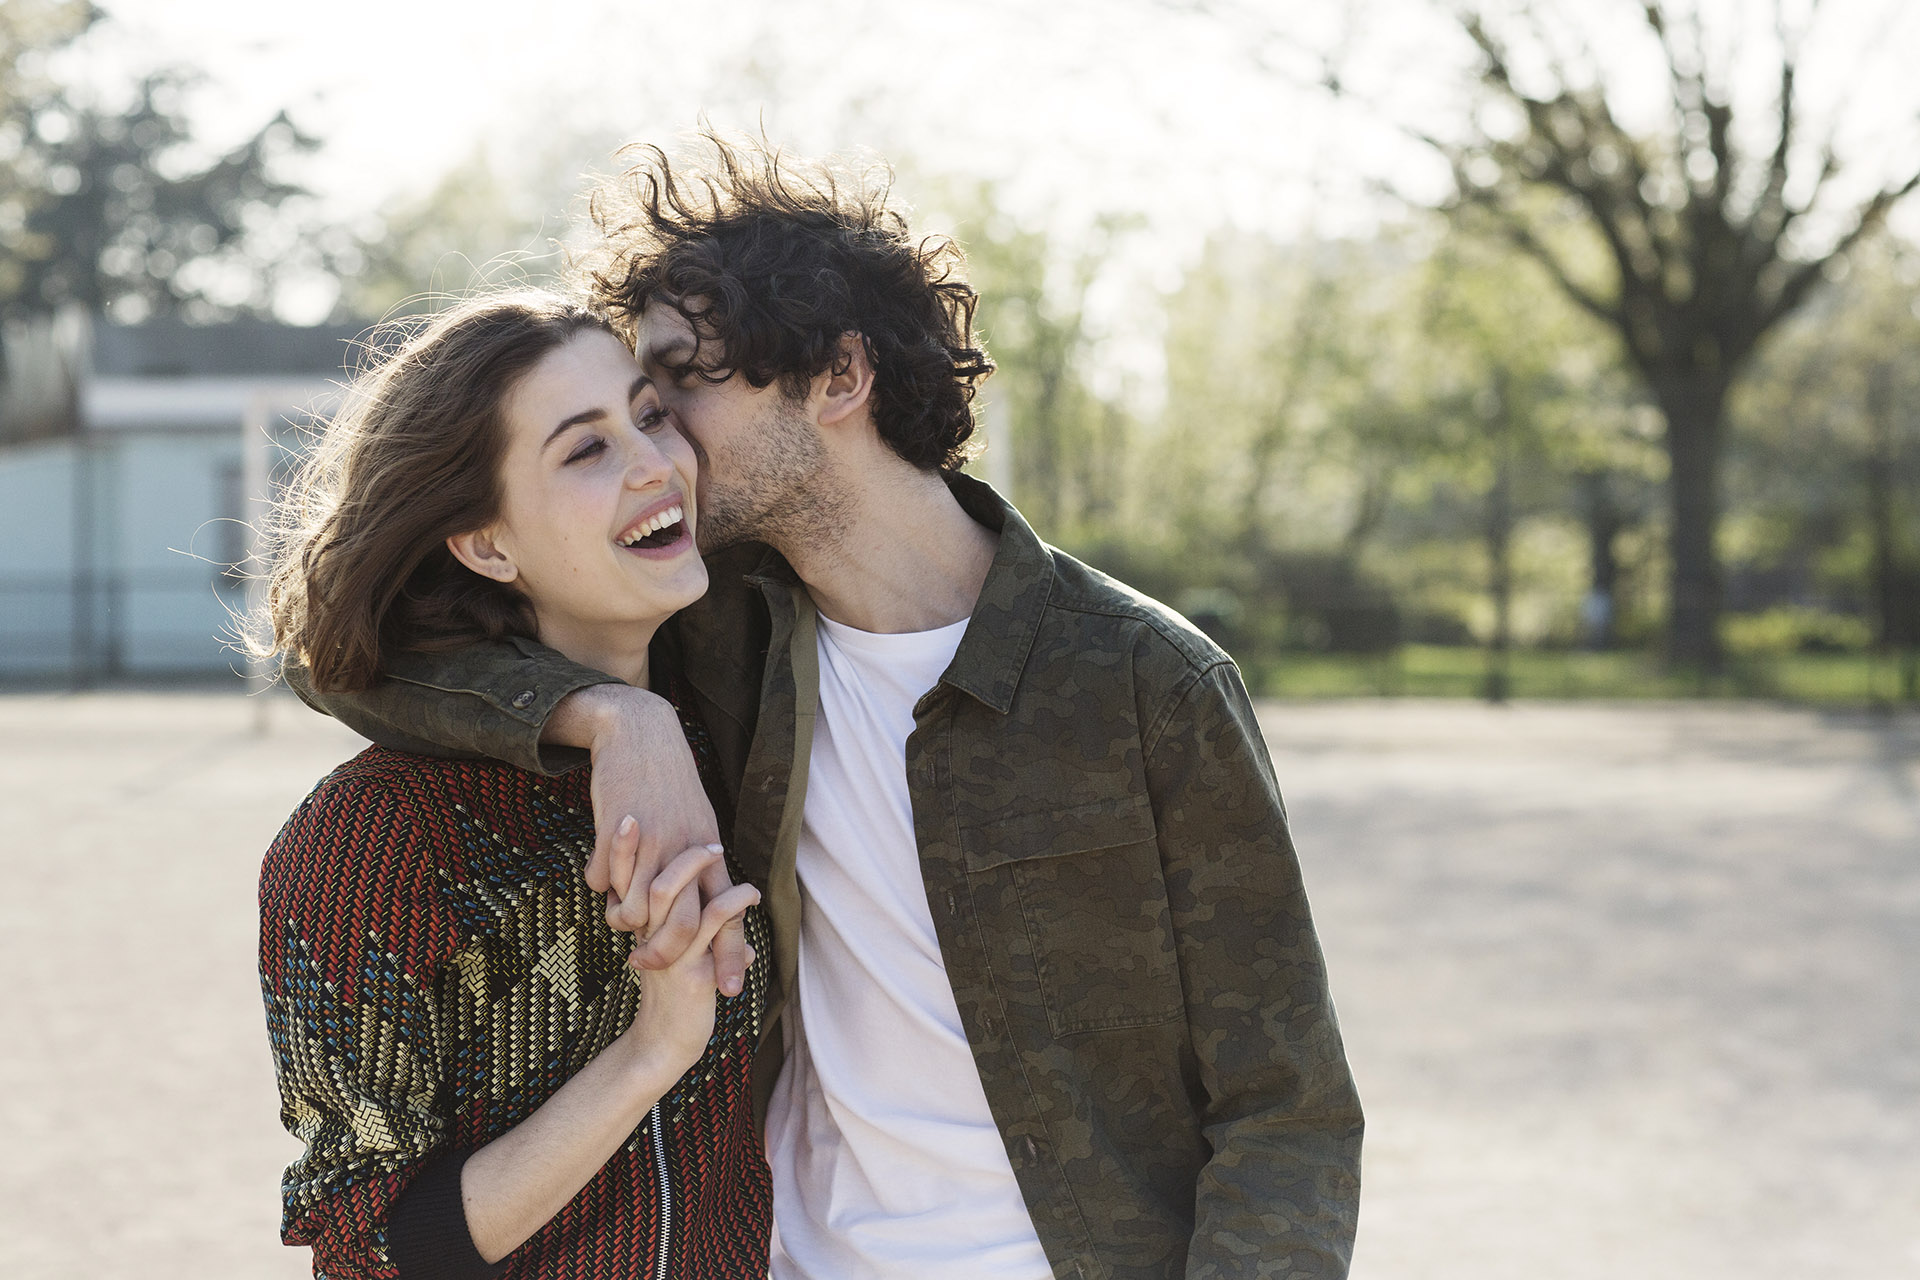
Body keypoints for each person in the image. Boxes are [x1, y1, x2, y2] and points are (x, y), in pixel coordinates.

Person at [292, 136, 1364, 1280]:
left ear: (838, 378)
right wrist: (613, 719)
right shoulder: (717, 638)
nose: (662, 445)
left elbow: (1284, 1109)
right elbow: (358, 658)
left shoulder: (1147, 681)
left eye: (675, 390)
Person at [255, 291, 773, 1279]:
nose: (655, 462)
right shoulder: (373, 835)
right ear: (486, 543)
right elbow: (370, 1248)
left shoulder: (751, 752)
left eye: (649, 416)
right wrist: (653, 1048)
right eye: (586, 450)